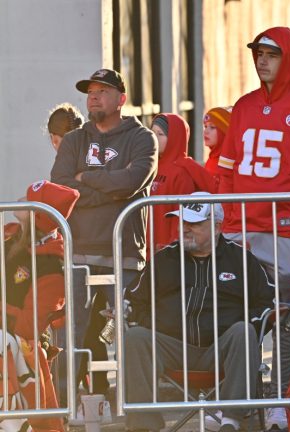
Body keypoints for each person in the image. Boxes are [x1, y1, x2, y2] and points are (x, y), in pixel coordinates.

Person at [216, 27, 290, 429]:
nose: (263, 60)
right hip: (241, 233)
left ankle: (282, 403)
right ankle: (236, 405)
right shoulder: (244, 106)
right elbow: (226, 172)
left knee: (285, 322)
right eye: (259, 53)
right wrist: (230, 221)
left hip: (286, 235)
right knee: (234, 319)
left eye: (272, 54)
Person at [123, 193, 275, 432]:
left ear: (216, 226)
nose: (184, 229)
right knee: (135, 337)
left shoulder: (240, 259)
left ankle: (231, 421)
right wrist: (151, 322)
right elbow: (133, 300)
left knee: (243, 332)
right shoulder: (164, 259)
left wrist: (250, 324)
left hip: (222, 349)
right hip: (172, 348)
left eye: (193, 223)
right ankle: (143, 424)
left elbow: (268, 301)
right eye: (182, 222)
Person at [50, 68, 158, 400]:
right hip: (79, 254)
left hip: (123, 254)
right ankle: (67, 407)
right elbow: (61, 186)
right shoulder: (74, 140)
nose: (94, 96)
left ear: (121, 99)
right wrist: (110, 189)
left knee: (121, 332)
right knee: (72, 335)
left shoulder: (141, 138)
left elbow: (133, 181)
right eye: (90, 92)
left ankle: (134, 407)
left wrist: (86, 180)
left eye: (103, 91)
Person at [2, 180, 79, 432]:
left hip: (20, 345)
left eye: (28, 199)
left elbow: (28, 326)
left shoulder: (52, 268)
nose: (20, 200)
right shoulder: (11, 241)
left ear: (38, 216)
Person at [149, 113, 216, 251]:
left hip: (166, 249)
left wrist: (172, 246)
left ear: (175, 138)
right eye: (152, 132)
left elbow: (182, 217)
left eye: (160, 134)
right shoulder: (150, 165)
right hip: (147, 246)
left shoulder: (182, 172)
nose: (154, 138)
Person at [202, 106, 232, 184]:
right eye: (205, 126)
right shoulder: (212, 158)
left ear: (225, 132)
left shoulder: (229, 162)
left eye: (212, 127)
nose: (206, 131)